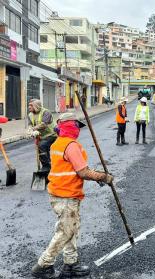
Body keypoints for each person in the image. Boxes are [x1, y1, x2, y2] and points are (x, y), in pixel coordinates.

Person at [31, 113, 113, 279]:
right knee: (66, 231)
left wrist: (97, 176)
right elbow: (82, 172)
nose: (78, 130)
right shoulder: (71, 145)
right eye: (76, 126)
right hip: (66, 195)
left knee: (70, 228)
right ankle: (43, 265)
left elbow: (72, 169)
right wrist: (103, 176)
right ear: (70, 125)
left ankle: (70, 264)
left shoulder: (58, 143)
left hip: (60, 192)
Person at [28, 99, 57, 173]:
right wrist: (30, 131)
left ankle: (46, 166)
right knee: (42, 148)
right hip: (42, 136)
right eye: (29, 105)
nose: (29, 107)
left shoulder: (46, 112)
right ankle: (49, 166)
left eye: (31, 105)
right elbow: (30, 124)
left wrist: (33, 129)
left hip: (52, 135)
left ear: (36, 106)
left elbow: (44, 124)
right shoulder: (30, 114)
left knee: (42, 146)